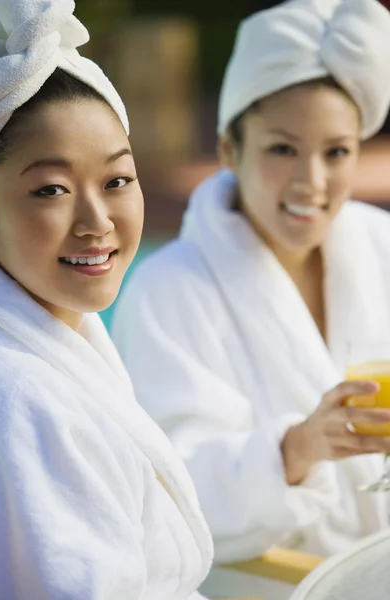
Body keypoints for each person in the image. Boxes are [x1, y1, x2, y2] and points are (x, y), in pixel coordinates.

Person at [112, 0, 390, 597]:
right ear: (229, 149)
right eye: (282, 149)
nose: (311, 181)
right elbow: (166, 496)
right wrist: (298, 447)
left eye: (336, 151)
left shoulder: (379, 243)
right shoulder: (168, 292)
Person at [0, 0, 214, 598]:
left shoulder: (62, 340)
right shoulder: (17, 395)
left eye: (117, 180)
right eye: (52, 189)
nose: (97, 221)